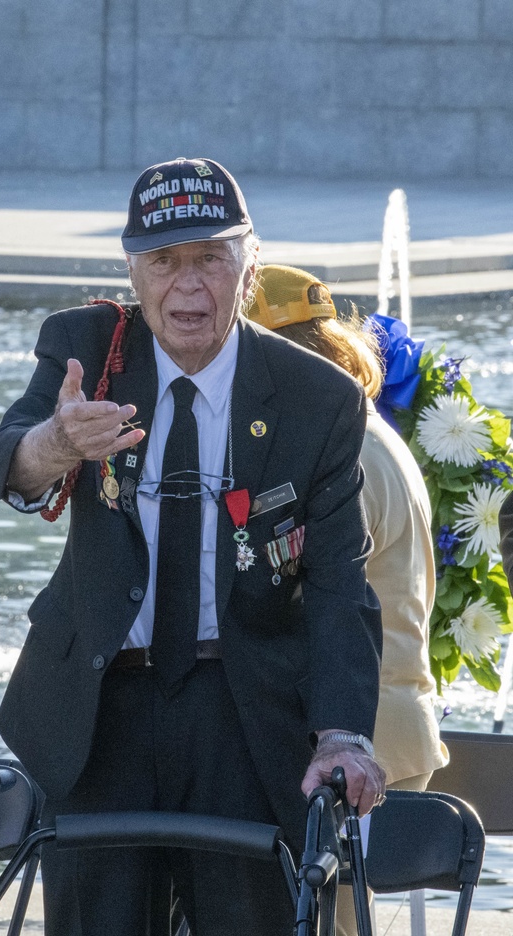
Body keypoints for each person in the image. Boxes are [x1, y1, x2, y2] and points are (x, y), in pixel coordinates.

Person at [0, 157, 385, 935]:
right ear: (133, 271)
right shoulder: (85, 346)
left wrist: (342, 734)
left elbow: (339, 582)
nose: (187, 286)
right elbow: (8, 464)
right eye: (163, 262)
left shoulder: (317, 399)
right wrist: (57, 442)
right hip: (98, 709)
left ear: (249, 264)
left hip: (241, 707)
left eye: (210, 258)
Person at [247, 264, 449, 935]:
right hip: (392, 728)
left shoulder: (340, 450)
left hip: (354, 743)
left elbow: (308, 604)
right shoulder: (368, 429)